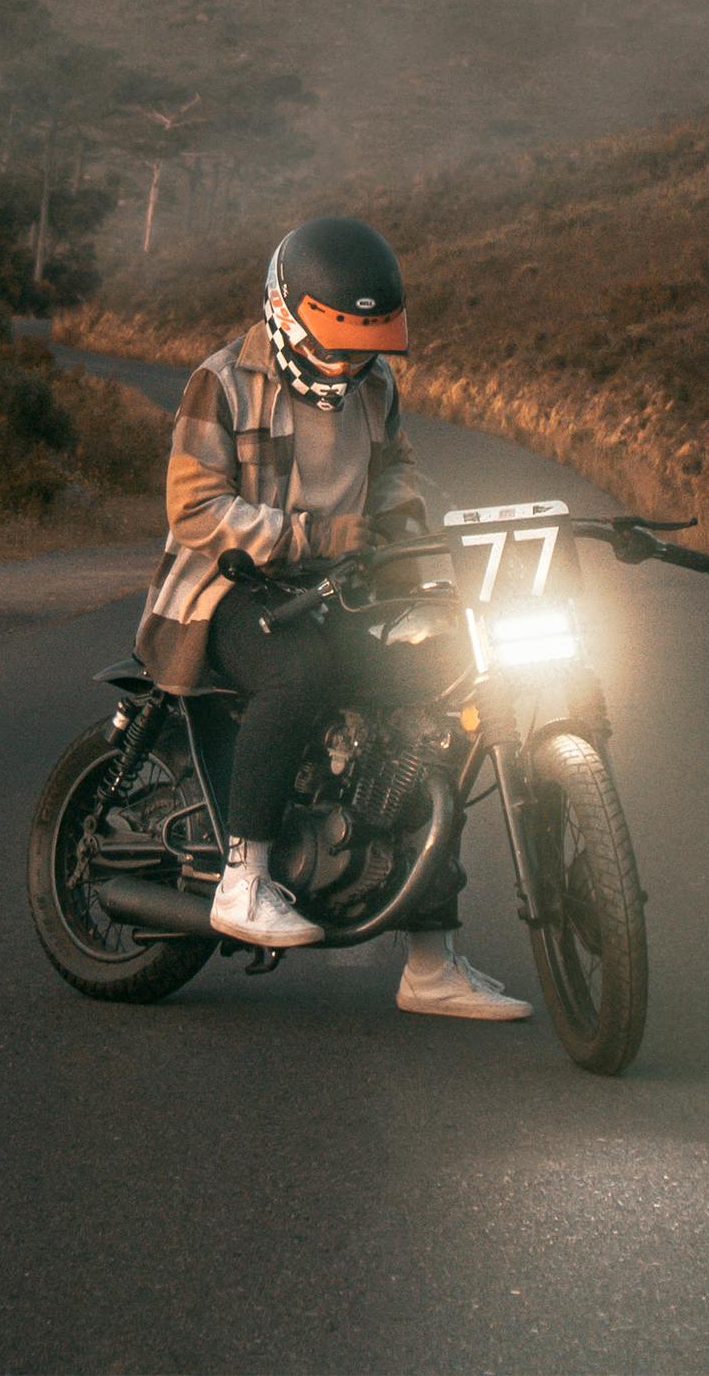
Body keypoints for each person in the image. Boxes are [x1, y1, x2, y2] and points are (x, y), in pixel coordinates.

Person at [137, 215, 532, 1022]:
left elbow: (396, 472)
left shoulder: (375, 388)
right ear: (286, 316)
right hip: (226, 589)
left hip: (334, 586)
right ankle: (243, 880)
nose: (353, 362)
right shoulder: (223, 382)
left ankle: (431, 964)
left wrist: (400, 523)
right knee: (302, 674)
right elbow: (192, 509)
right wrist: (309, 535)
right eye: (338, 343)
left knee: (433, 701)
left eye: (367, 346)